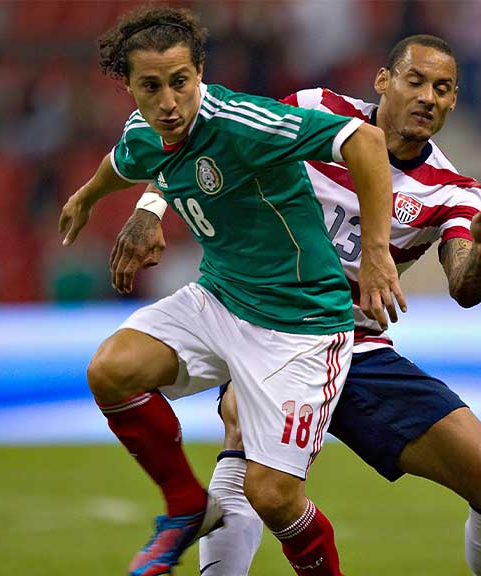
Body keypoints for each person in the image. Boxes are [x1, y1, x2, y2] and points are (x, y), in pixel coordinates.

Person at [113, 35, 481, 575]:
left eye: (443, 89)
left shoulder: (453, 191)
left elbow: (464, 285)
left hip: (357, 347)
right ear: (383, 81)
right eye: (416, 81)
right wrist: (152, 205)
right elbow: (212, 137)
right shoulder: (317, 111)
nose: (428, 96)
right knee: (243, 428)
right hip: (272, 326)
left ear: (454, 102)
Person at [57, 7, 406, 576]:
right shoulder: (146, 131)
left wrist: (375, 251)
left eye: (180, 83)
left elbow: (364, 141)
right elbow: (121, 161)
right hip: (220, 298)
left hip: (301, 325)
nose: (168, 101)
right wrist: (87, 196)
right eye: (151, 87)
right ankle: (186, 505)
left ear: (200, 73)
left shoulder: (244, 123)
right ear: (129, 87)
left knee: (271, 496)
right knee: (111, 370)